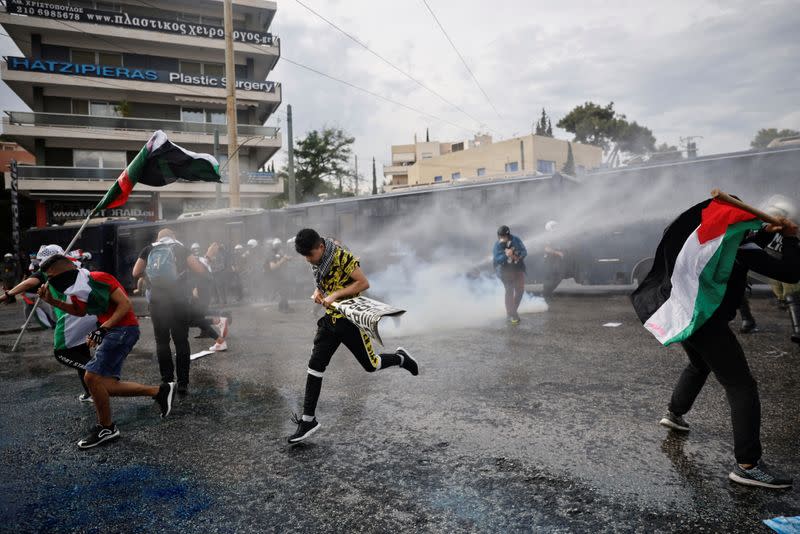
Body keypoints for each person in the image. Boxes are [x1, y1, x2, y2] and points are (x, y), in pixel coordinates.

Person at [658, 214, 800, 489]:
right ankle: (748, 465)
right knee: (742, 386)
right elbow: (792, 273)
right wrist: (792, 239)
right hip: (708, 321)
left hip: (688, 314)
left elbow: (750, 238)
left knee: (700, 365)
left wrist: (766, 231)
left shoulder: (706, 240)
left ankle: (674, 413)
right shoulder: (736, 246)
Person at [288, 228, 419, 443]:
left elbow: (363, 283)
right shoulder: (317, 261)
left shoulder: (341, 256)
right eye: (304, 256)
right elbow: (321, 285)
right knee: (315, 366)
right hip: (330, 321)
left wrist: (335, 295)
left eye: (310, 255)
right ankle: (308, 420)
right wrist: (318, 294)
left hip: (351, 320)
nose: (308, 260)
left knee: (372, 365)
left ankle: (401, 358)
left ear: (320, 247)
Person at [37, 254, 176, 449]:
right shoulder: (77, 289)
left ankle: (107, 428)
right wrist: (52, 301)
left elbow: (125, 304)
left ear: (65, 271)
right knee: (104, 385)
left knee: (91, 378)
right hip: (114, 330)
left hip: (123, 329)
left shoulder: (97, 278)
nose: (50, 281)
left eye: (52, 277)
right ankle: (160, 391)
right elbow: (80, 311)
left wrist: (103, 329)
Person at [1, 244, 97, 402]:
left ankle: (99, 373)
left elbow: (29, 283)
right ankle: (90, 392)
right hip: (90, 314)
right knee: (80, 352)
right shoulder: (75, 264)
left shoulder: (48, 271)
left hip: (71, 317)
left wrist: (8, 294)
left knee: (62, 353)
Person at [132, 228, 207, 396]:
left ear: (159, 238)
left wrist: (150, 276)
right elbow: (199, 270)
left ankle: (167, 380)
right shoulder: (181, 248)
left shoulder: (149, 248)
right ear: (173, 237)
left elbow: (135, 272)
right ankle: (183, 383)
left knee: (162, 341)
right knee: (181, 341)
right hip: (179, 301)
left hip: (158, 302)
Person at [492, 225, 528, 324]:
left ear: (508, 235)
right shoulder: (497, 245)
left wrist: (517, 255)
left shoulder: (516, 239)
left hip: (517, 268)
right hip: (505, 271)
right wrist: (506, 255)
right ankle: (511, 314)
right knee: (509, 291)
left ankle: (513, 311)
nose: (501, 238)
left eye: (503, 236)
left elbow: (524, 252)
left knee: (520, 290)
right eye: (500, 236)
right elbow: (498, 259)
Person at [268, 238, 292, 312]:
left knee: (285, 291)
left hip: (282, 275)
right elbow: (273, 267)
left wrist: (287, 258)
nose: (279, 247)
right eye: (277, 245)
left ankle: (284, 306)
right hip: (276, 277)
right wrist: (283, 260)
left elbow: (288, 258)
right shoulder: (272, 255)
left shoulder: (280, 253)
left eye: (279, 245)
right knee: (282, 291)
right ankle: (283, 308)